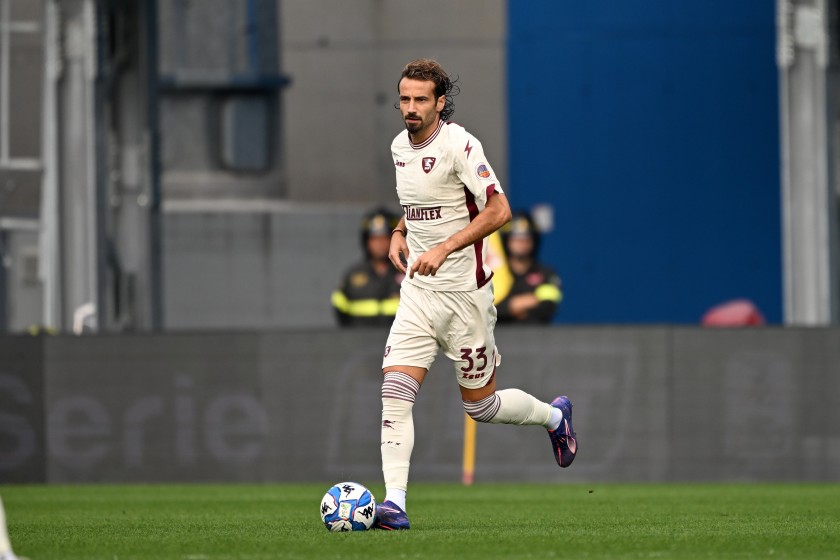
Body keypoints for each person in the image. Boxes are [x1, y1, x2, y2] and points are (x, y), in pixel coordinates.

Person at [373, 59, 578, 531]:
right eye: (404, 98)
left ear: (440, 102)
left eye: (421, 99)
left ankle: (554, 417)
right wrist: (401, 231)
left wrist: (445, 247)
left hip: (466, 298)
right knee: (394, 393)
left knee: (480, 408)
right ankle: (395, 505)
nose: (410, 108)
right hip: (419, 296)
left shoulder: (460, 144)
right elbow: (417, 200)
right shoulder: (399, 146)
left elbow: (499, 210)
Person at [331, 207, 404, 327]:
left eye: (384, 238)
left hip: (399, 343)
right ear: (366, 241)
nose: (380, 244)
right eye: (374, 239)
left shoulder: (408, 273)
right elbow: (340, 312)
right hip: (360, 343)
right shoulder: (352, 275)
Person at [495, 211, 563, 324]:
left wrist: (513, 307)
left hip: (537, 338)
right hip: (499, 338)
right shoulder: (494, 273)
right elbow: (488, 310)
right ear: (507, 241)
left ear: (534, 241)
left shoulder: (546, 273)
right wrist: (524, 302)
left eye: (527, 238)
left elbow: (549, 305)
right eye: (516, 239)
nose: (522, 243)